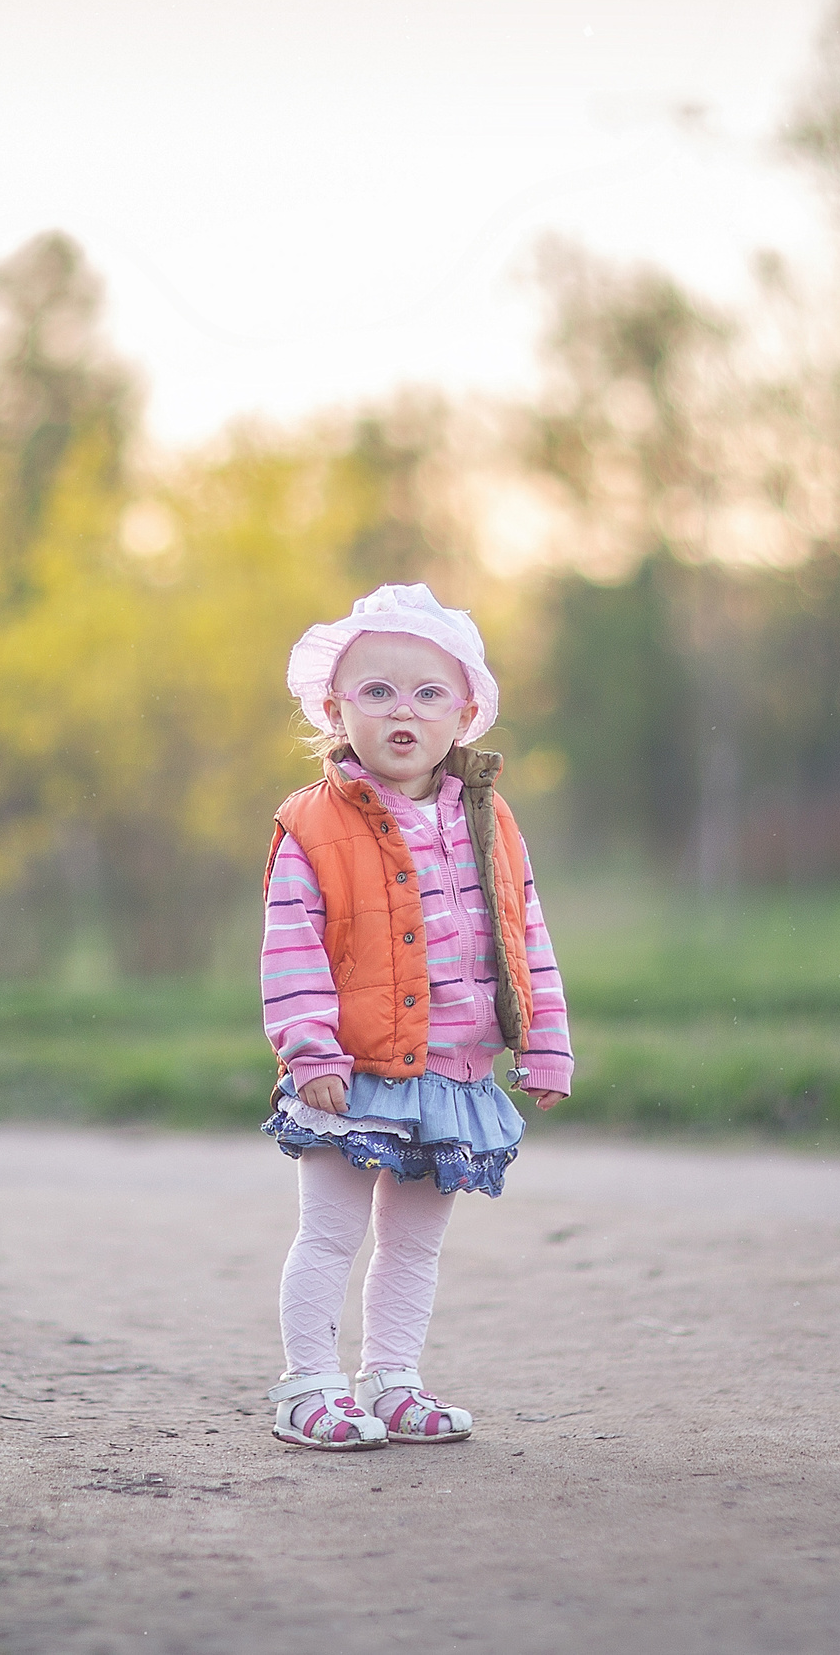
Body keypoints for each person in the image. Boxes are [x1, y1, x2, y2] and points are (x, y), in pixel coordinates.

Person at [258, 583, 574, 1451]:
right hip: (350, 1069)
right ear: (335, 706)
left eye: (429, 693)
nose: (405, 711)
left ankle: (392, 1377)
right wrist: (308, 1046)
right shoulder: (313, 823)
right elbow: (292, 947)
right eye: (378, 692)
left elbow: (524, 930)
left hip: (453, 1070)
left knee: (414, 1243)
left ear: (465, 713)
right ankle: (309, 1385)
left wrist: (544, 1040)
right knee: (330, 1232)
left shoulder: (489, 818)